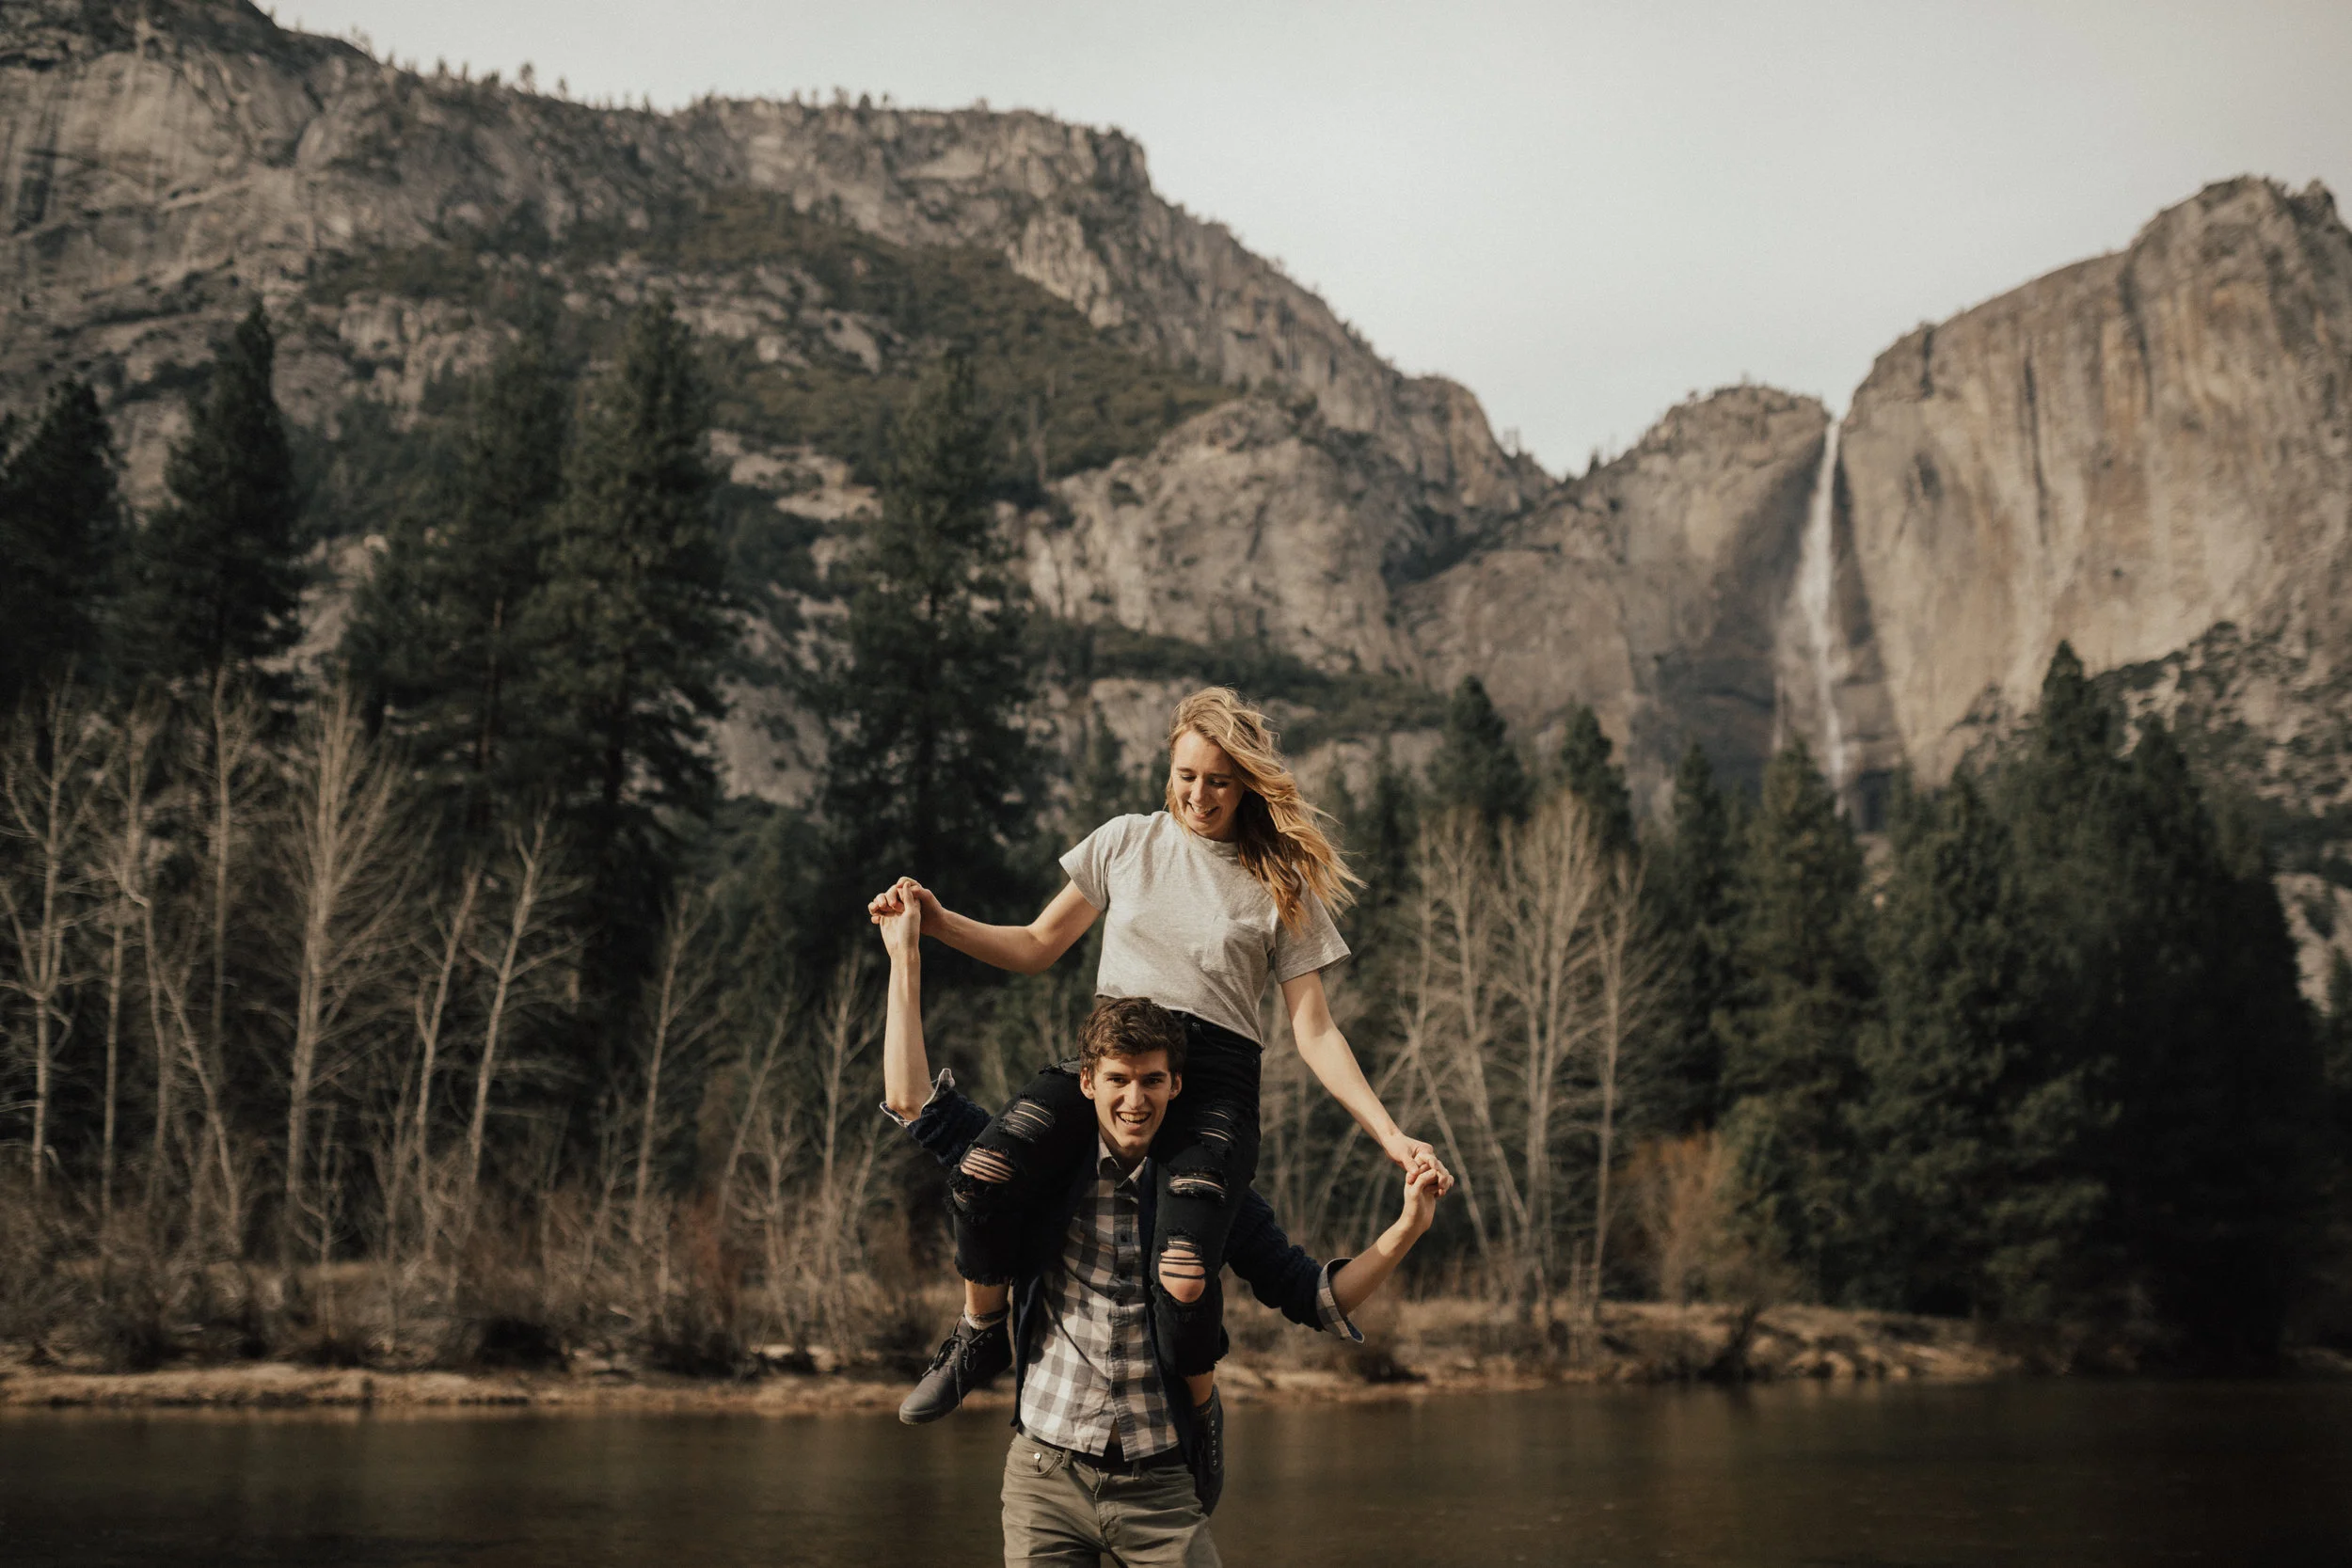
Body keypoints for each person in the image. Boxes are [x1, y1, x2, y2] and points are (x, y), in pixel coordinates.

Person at [872, 686, 1451, 1495]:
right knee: (983, 1173)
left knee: (1182, 1273)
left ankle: (1200, 1411)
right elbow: (1038, 943)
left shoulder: (1276, 881)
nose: (1198, 795)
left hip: (1212, 1082)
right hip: (1117, 1054)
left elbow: (1314, 1031)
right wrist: (934, 923)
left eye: (1217, 780)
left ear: (1246, 783)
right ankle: (979, 1330)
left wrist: (1392, 1137)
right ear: (1167, 769)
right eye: (1185, 775)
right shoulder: (1125, 843)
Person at [875, 896, 1441, 1560]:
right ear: (1086, 1082)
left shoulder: (1208, 1197)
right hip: (1044, 1477)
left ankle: (1207, 1421)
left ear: (1176, 1086)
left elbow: (1316, 1294)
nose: (1134, 1099)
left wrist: (1407, 1226)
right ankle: (976, 1337)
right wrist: (905, 955)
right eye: (1117, 1079)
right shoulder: (1039, 1167)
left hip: (1163, 1486)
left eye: (1151, 1081)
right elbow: (917, 1104)